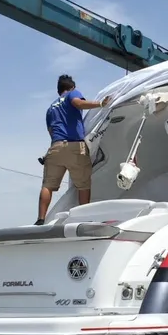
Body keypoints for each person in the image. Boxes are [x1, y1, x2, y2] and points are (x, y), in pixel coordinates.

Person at [36, 74, 111, 225]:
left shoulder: (50, 109)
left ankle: (40, 219)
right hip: (74, 146)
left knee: (47, 186)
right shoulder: (72, 94)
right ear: (71, 87)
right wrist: (101, 104)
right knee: (83, 185)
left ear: (59, 90)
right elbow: (78, 103)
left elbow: (51, 132)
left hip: (55, 148)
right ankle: (84, 218)